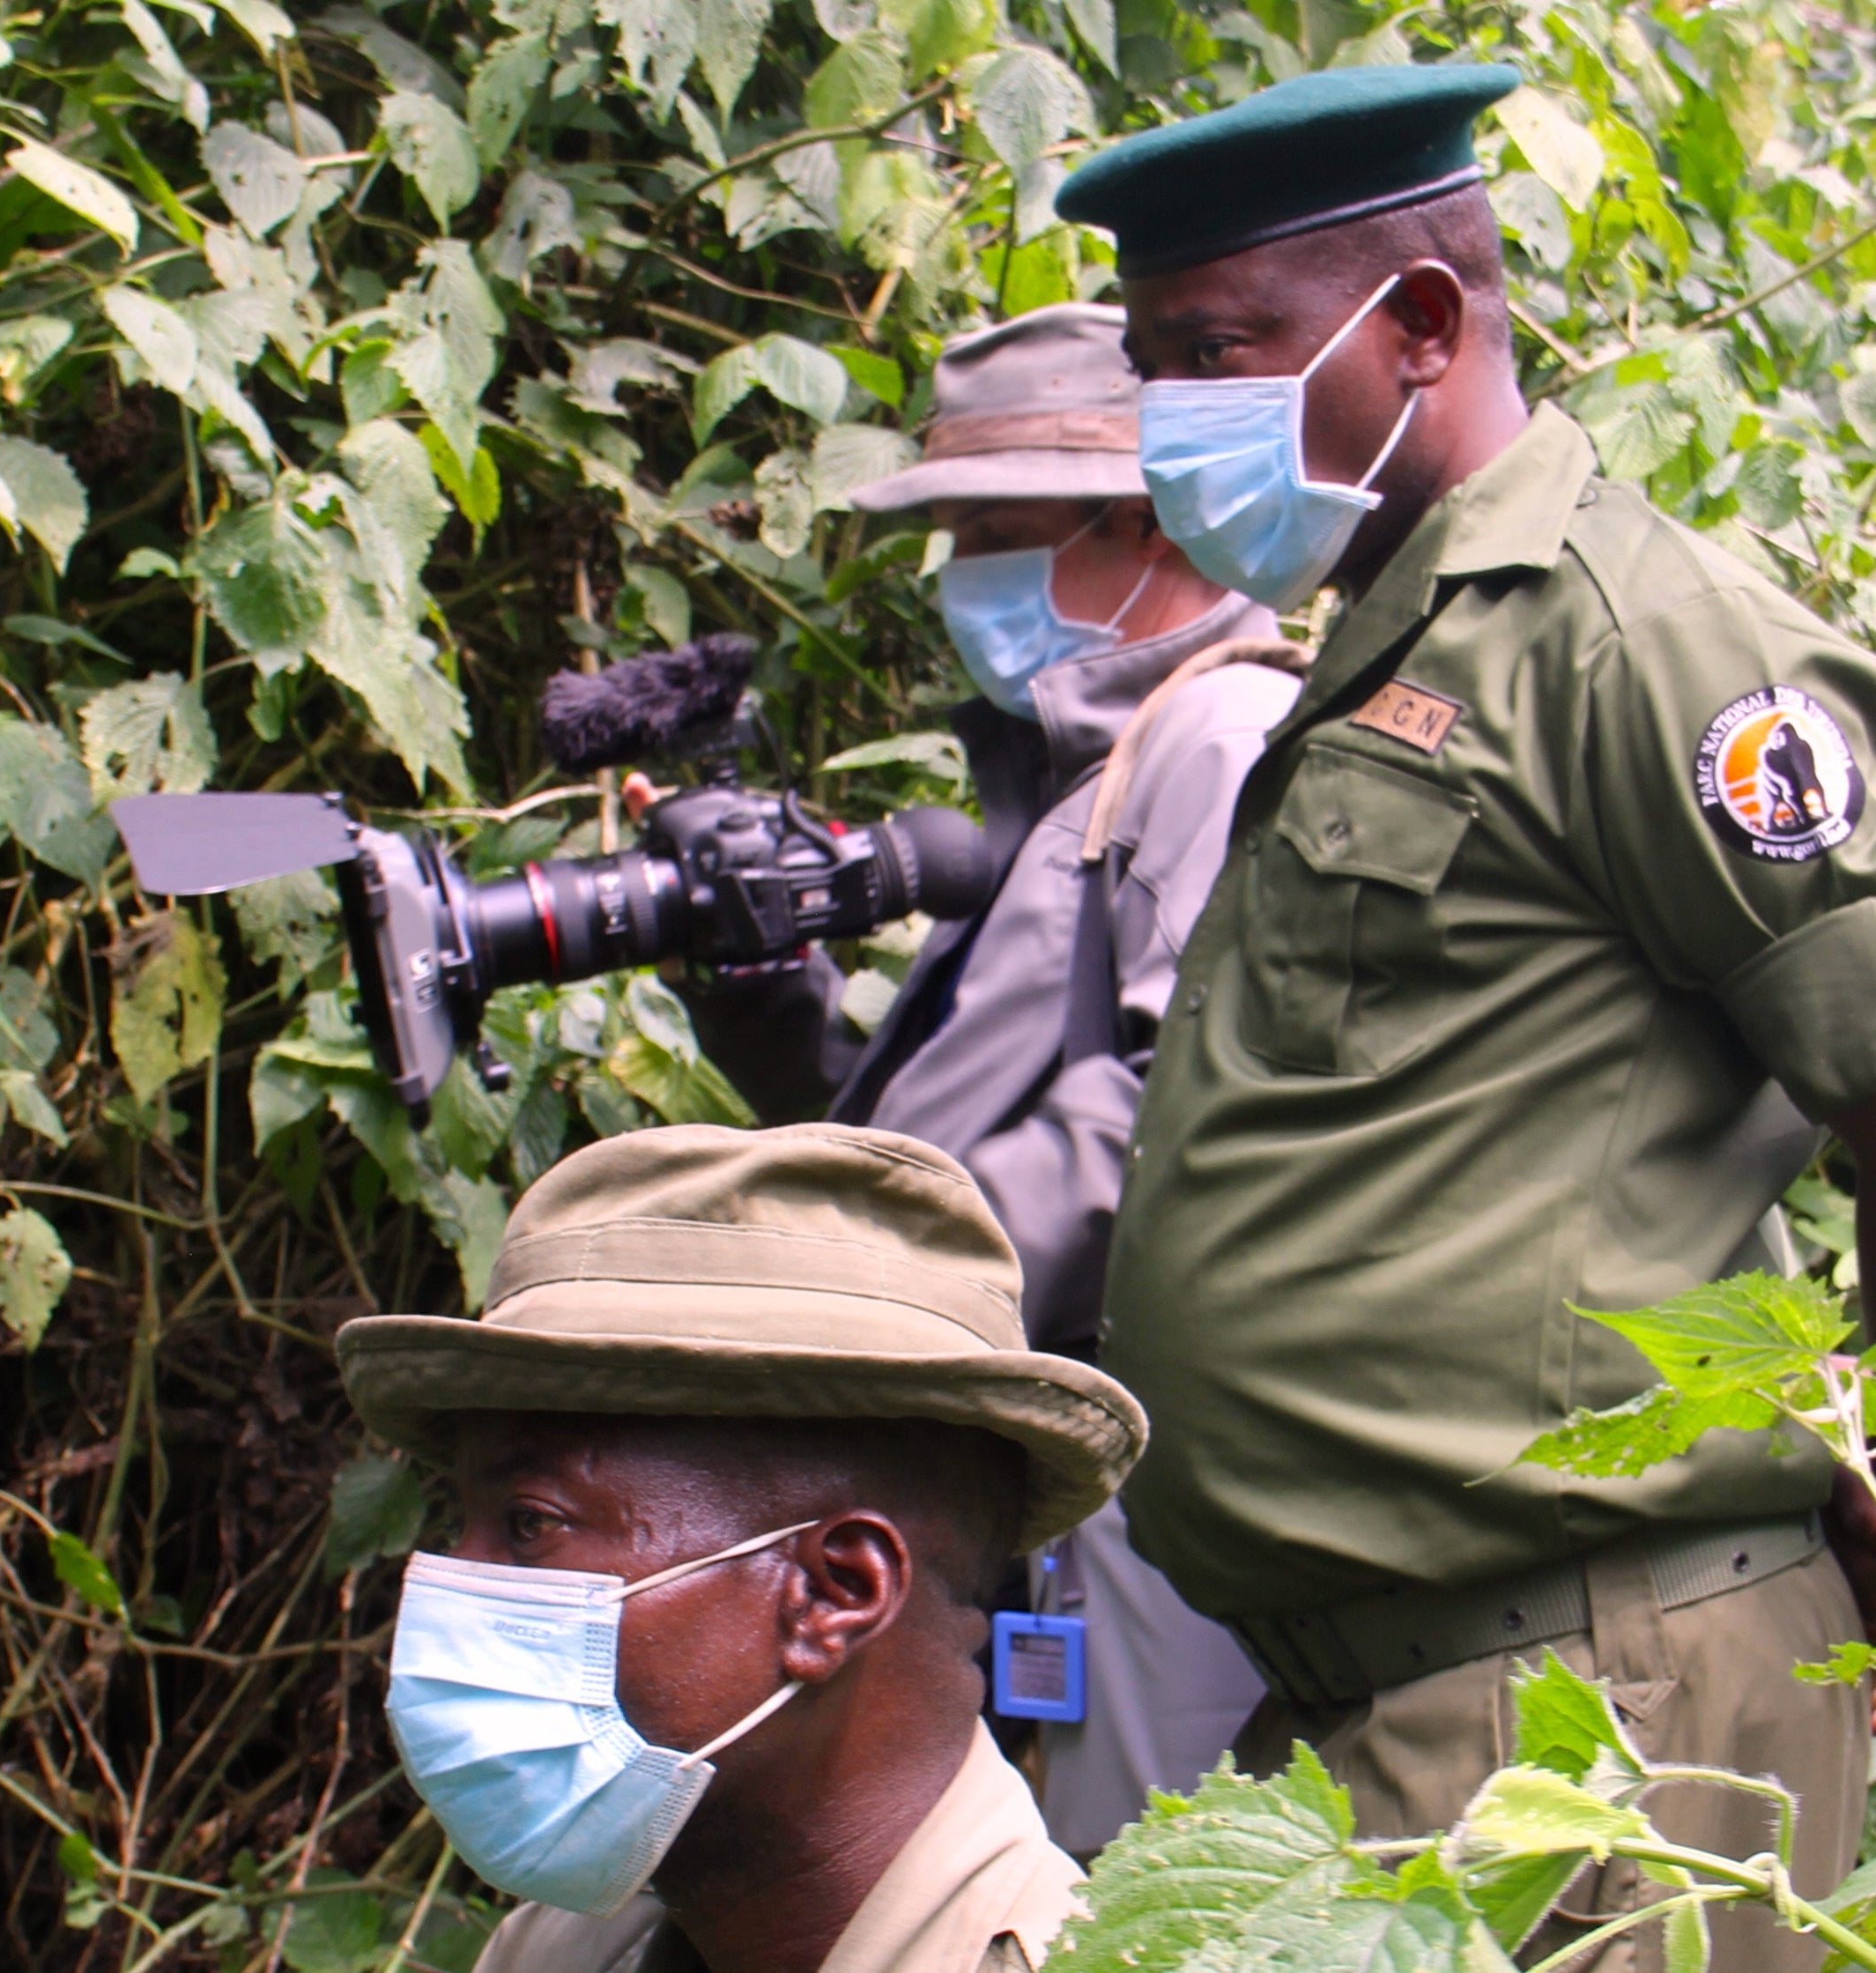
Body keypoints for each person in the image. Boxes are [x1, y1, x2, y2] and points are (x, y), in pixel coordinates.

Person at [1053, 60, 1876, 1965]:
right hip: (1398, 1697)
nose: (1175, 424)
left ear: (1420, 324)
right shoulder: (1398, 642)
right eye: (1154, 364)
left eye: (1220, 353)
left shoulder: (1638, 636)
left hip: (1602, 1706)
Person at [636, 302, 1295, 1853]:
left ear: (1143, 521)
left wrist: (833, 1262)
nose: (965, 589)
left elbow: (1167, 1126)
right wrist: (761, 1002)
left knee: (1107, 1910)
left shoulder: (1221, 737)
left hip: (1135, 1514)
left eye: (996, 536)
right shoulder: (1075, 776)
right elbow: (914, 1133)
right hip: (1002, 1504)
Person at [335, 1121, 1149, 1973]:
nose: (448, 1586)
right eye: (462, 1523)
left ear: (834, 1591)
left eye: (532, 1523)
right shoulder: (559, 1951)